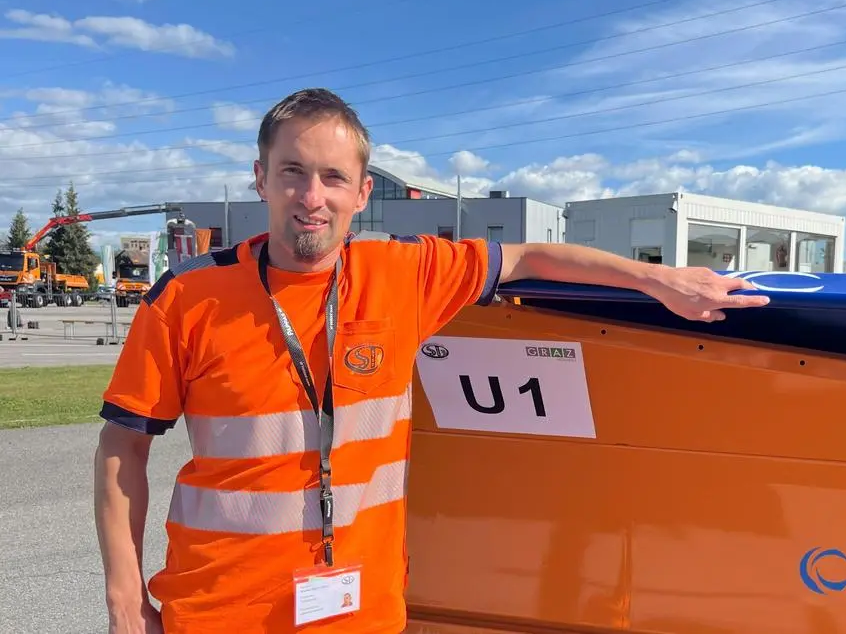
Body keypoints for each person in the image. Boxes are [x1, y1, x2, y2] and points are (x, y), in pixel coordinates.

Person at [93, 87, 770, 634]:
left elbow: (531, 256)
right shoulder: (187, 296)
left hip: (361, 613)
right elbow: (122, 445)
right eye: (292, 171)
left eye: (333, 177)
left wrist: (661, 280)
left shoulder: (404, 273)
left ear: (362, 193)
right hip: (221, 613)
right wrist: (125, 600)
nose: (312, 196)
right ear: (260, 178)